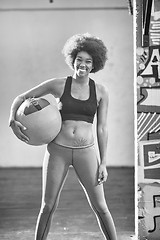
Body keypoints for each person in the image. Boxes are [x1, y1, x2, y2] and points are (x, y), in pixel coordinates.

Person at [9, 33, 117, 240]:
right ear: (72, 59)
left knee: (101, 206)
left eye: (88, 61)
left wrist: (103, 162)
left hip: (86, 152)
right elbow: (21, 98)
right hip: (58, 151)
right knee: (48, 205)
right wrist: (12, 121)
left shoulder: (101, 91)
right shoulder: (58, 85)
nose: (82, 65)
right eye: (79, 60)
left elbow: (102, 128)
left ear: (95, 64)